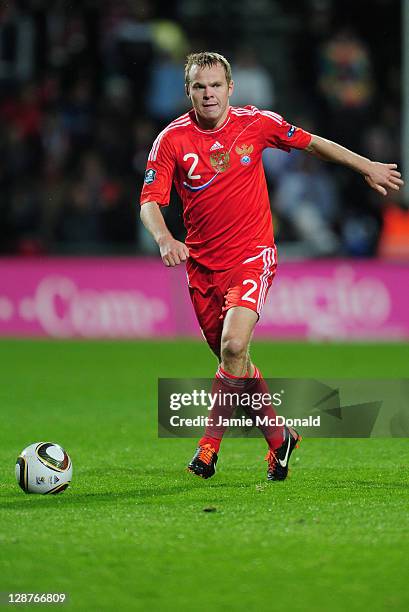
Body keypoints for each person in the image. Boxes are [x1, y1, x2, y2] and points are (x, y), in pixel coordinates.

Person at [140, 51, 403, 481]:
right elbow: (149, 202)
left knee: (233, 347)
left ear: (230, 88)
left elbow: (313, 143)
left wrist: (365, 166)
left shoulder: (256, 123)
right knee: (235, 364)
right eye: (199, 87)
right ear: (188, 91)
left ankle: (208, 447)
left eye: (216, 85)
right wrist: (165, 238)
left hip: (251, 255)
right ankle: (280, 439)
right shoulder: (171, 140)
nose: (209, 94)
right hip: (203, 269)